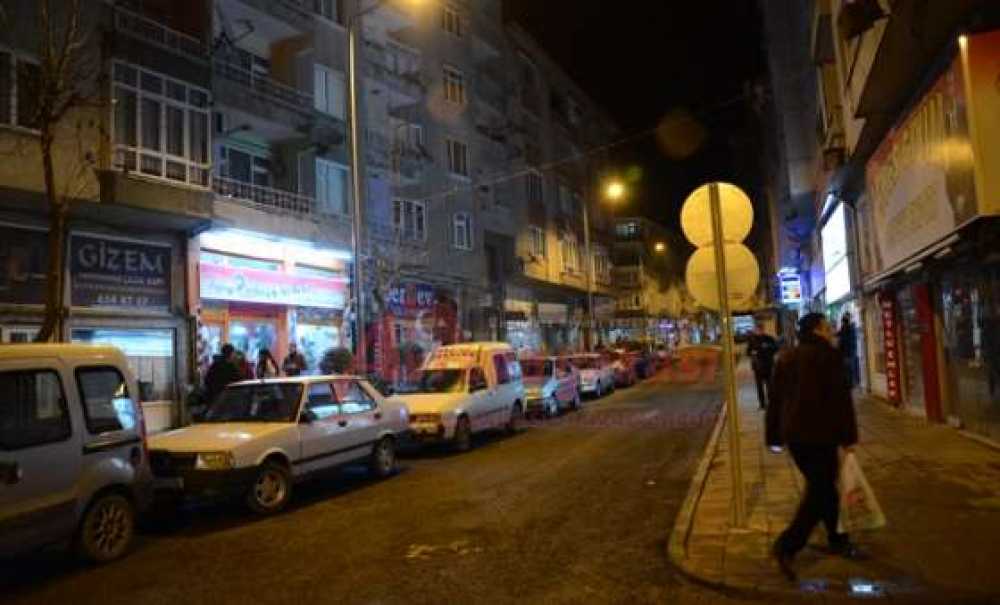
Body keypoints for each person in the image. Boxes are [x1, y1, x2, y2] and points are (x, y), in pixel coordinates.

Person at [766, 313, 860, 581]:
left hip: (795, 437)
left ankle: (837, 538)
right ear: (818, 330)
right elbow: (841, 400)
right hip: (821, 435)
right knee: (820, 491)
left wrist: (774, 437)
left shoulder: (787, 357)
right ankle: (788, 545)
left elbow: (775, 400)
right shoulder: (829, 357)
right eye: (827, 327)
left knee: (824, 487)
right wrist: (848, 437)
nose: (831, 331)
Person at [746, 323, 779, 410]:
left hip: (768, 365)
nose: (757, 331)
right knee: (759, 387)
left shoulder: (769, 338)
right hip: (757, 367)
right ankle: (762, 404)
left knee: (769, 386)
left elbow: (776, 348)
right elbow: (748, 352)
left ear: (762, 330)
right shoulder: (752, 340)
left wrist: (768, 347)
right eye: (756, 330)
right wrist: (751, 352)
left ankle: (771, 403)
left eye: (759, 330)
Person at [838, 313, 859, 387]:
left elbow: (842, 341)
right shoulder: (850, 328)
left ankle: (851, 383)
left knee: (849, 369)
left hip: (847, 352)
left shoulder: (846, 329)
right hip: (850, 352)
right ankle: (852, 382)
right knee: (850, 369)